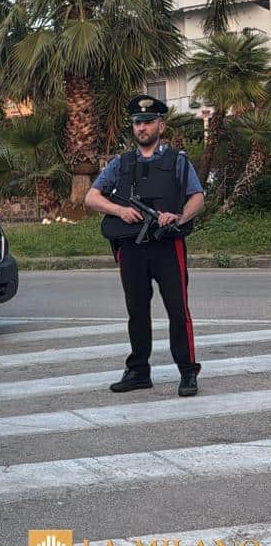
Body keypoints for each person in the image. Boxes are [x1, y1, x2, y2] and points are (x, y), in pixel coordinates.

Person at [84, 95, 205, 398]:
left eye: (149, 122)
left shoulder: (178, 161)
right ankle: (138, 371)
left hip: (167, 245)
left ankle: (188, 371)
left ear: (161, 125)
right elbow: (92, 197)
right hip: (132, 248)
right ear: (133, 127)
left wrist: (177, 216)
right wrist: (119, 210)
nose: (143, 127)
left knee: (178, 310)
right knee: (136, 311)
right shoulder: (121, 163)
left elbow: (197, 197)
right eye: (138, 123)